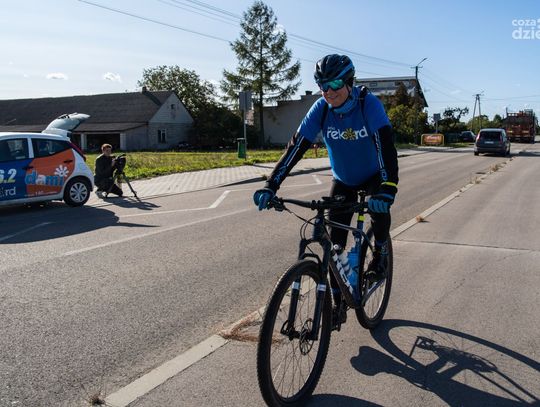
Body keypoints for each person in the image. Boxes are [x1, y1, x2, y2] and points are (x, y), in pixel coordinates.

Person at [253, 54, 399, 326]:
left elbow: (386, 147)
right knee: (335, 247)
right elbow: (296, 147)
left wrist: (388, 188)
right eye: (322, 85)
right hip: (343, 179)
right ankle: (338, 303)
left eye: (334, 84)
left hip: (373, 176)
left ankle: (380, 253)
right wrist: (271, 184)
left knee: (380, 210)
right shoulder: (321, 109)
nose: (328, 92)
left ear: (349, 82)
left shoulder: (368, 104)